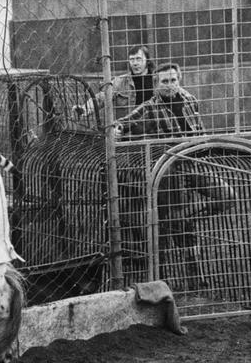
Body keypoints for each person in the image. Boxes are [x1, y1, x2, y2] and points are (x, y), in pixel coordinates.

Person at [114, 63, 236, 291]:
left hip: (197, 163)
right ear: (156, 84)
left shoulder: (189, 99)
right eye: (165, 82)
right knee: (175, 226)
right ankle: (180, 280)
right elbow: (123, 123)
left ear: (179, 80)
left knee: (226, 195)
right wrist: (118, 129)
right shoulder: (149, 107)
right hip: (169, 170)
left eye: (173, 80)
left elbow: (199, 130)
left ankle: (185, 217)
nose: (170, 86)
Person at [74, 45, 156, 121]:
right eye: (132, 59)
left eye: (139, 59)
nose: (135, 63)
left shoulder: (158, 79)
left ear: (148, 60)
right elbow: (101, 97)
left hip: (156, 128)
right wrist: (85, 108)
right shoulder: (120, 81)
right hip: (129, 129)